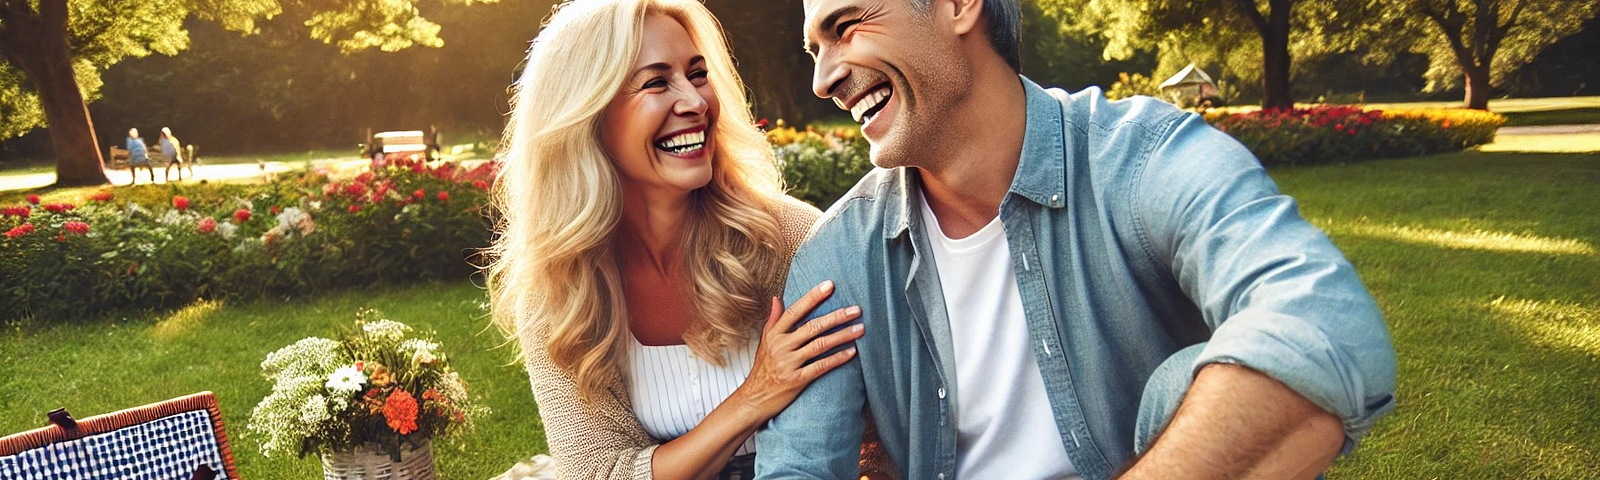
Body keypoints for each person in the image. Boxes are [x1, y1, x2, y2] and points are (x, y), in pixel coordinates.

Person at [754, 0, 1398, 479]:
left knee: (1209, 389)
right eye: (814, 50)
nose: (823, 80)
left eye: (845, 27)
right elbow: (798, 469)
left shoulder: (1142, 158)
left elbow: (1325, 323)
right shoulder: (839, 256)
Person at [485, 1, 889, 478]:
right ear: (588, 116)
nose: (696, 102)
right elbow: (596, 470)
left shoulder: (792, 237)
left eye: (697, 74)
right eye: (657, 82)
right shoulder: (558, 292)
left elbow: (879, 423)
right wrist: (755, 396)